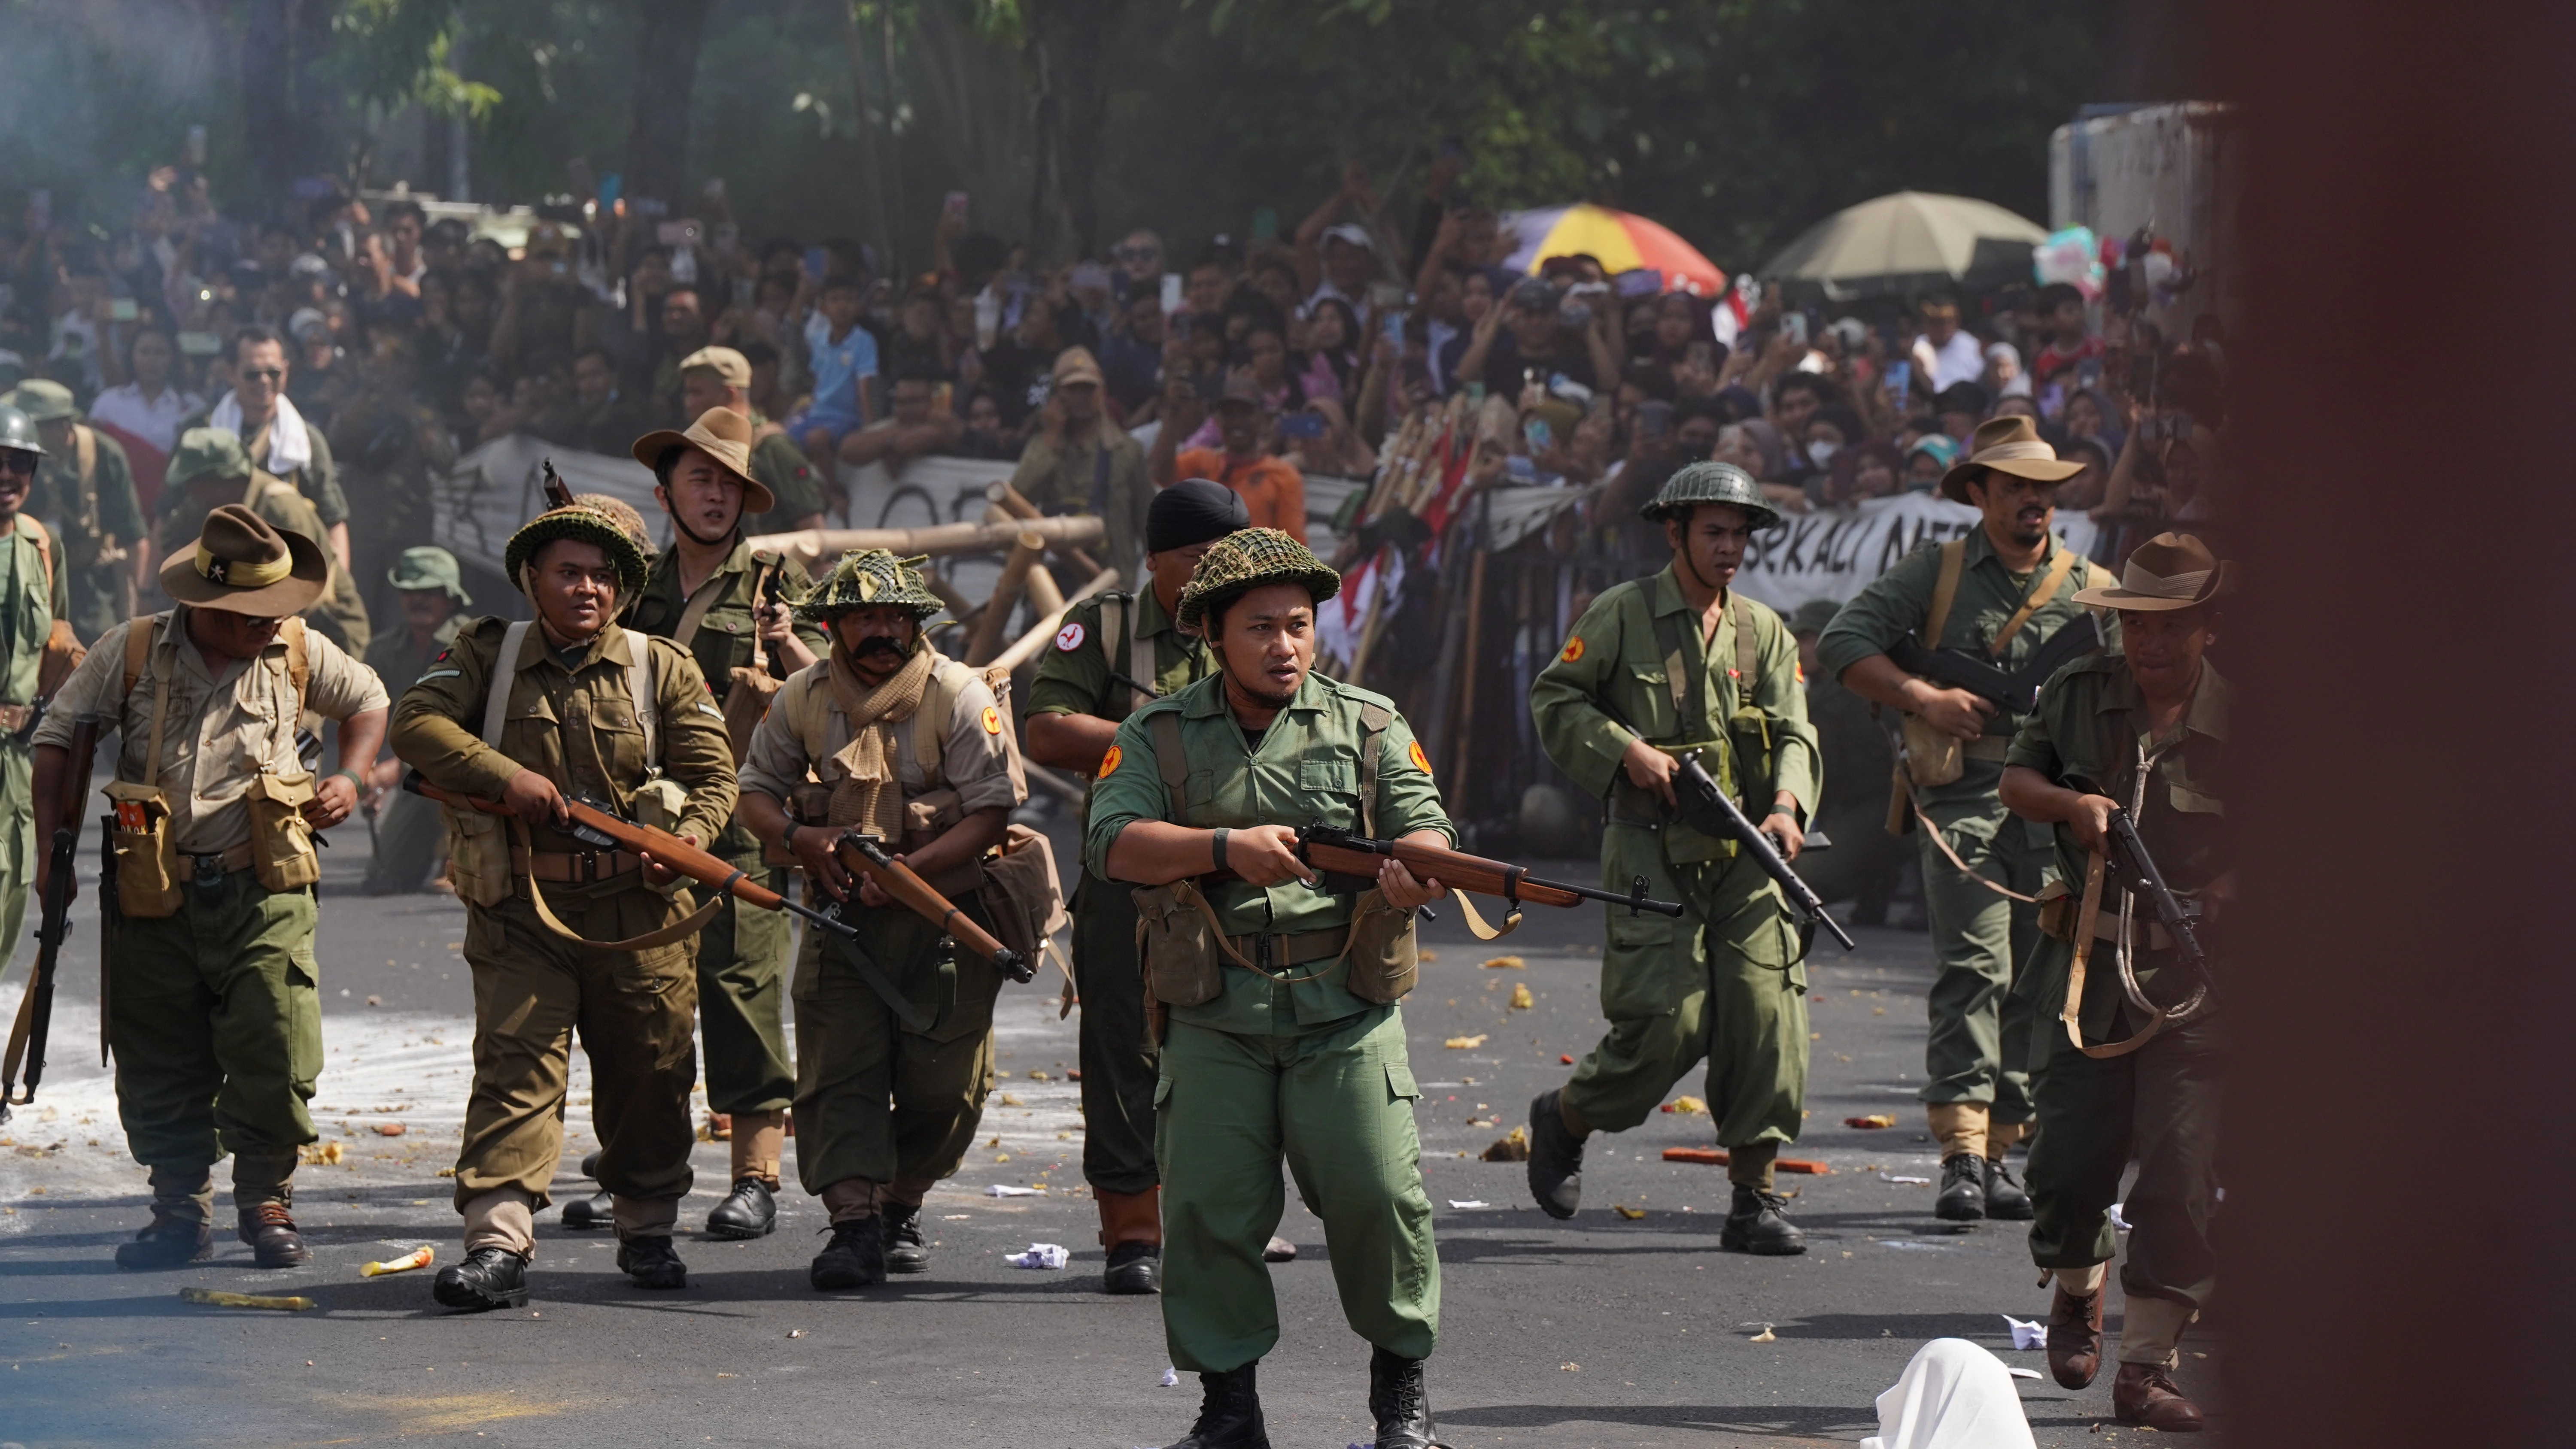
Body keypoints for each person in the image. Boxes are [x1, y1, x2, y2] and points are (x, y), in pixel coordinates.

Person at [1087, 527, 1452, 1449]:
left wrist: (1422, 873)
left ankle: (1400, 1401)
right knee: (1209, 1210)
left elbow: (1427, 829)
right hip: (1214, 1013)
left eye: (1299, 624)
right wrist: (1224, 848)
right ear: (1212, 632)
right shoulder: (1157, 732)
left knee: (1379, 1195)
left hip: (1346, 1009)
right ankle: (1229, 1409)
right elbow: (1113, 840)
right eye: (1260, 627)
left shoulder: (1370, 723)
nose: (1285, 645)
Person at [393, 501, 736, 1310]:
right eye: (569, 573)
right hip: (525, 907)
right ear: (532, 581)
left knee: (651, 1073)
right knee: (516, 1068)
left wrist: (680, 843)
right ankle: (498, 1242)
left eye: (602, 576)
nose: (588, 589)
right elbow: (416, 724)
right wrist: (501, 774)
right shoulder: (487, 653)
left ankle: (647, 1230)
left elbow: (717, 778)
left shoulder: (664, 667)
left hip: (642, 914)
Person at [32, 505, 388, 1270]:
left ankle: (266, 1198)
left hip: (264, 887)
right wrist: (46, 857)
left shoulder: (296, 648)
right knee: (160, 1053)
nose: (269, 624)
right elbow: (58, 740)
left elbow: (368, 699)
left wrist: (352, 779)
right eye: (250, 614)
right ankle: (177, 1209)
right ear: (204, 603)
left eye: (276, 609)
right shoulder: (129, 650)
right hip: (153, 894)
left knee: (274, 1039)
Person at [1817, 416, 2117, 1225]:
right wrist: (1924, 696)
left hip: (2050, 807)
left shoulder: (2092, 583)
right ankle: (1959, 1151)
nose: (2034, 501)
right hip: (1964, 798)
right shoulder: (1939, 570)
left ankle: (2001, 1151)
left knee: (2035, 980)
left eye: (2045, 489)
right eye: (2016, 486)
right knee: (1974, 968)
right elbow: (1846, 641)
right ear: (1978, 494)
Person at [1522, 461, 1821, 1255]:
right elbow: (1557, 698)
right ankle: (1568, 1115)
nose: (1730, 549)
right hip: (1650, 847)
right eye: (1714, 532)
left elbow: (1796, 732)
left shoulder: (1765, 631)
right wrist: (1628, 752)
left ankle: (1753, 1197)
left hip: (1747, 857)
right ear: (1675, 532)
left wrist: (1788, 806)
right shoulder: (1621, 615)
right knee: (1665, 1025)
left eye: (1741, 535)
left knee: (1767, 1017)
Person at [732, 550, 1027, 1293]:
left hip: (944, 917)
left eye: (896, 617)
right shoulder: (801, 697)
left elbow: (992, 811)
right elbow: (756, 791)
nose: (881, 631)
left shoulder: (957, 696)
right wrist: (803, 840)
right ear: (833, 626)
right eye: (863, 617)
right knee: (839, 1076)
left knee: (947, 1090)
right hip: (840, 916)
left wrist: (907, 878)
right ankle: (855, 1225)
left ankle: (900, 1202)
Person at [1998, 534, 2230, 1434]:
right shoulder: (2080, 691)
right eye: (2138, 626)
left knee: (2180, 1170)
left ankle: (2147, 1366)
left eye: (2172, 627)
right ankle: (2075, 1289)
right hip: (2089, 967)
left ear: (2207, 627)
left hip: (2198, 979)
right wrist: (2073, 805)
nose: (2152, 645)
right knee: (2067, 1162)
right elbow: (2020, 777)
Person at [1021, 480, 1245, 1295]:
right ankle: (1132, 1233)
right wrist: (1165, 745)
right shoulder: (1110, 627)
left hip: (1236, 872)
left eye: (1229, 554)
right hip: (1129, 876)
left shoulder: (1259, 623)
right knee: (1124, 1048)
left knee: (1237, 1046)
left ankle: (1222, 1219)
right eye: (1198, 557)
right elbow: (1046, 728)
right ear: (1155, 560)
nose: (1218, 570)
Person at [619, 407, 826, 1241]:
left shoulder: (777, 585)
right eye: (699, 478)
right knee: (641, 1003)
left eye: (730, 484)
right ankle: (642, 1164)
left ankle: (756, 1176)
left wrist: (785, 644)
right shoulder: (635, 584)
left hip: (741, 813)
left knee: (740, 988)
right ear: (666, 492)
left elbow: (838, 688)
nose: (715, 495)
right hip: (644, 817)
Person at [155, 428, 371, 660]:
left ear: (221, 480)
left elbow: (303, 590)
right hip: (252, 628)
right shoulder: (205, 503)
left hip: (325, 628)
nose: (189, 491)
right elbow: (171, 540)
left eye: (195, 483)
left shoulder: (282, 509)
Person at [0, 403, 72, 970]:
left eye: (20, 462)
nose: (7, 475)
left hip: (18, 758)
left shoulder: (41, 545)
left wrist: (42, 710)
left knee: (14, 884)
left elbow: (61, 642)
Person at [187, 326, 352, 572]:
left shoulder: (305, 441)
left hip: (286, 576)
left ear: (287, 369)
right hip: (218, 572)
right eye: (253, 374)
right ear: (231, 373)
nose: (264, 381)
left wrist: (334, 587)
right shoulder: (202, 434)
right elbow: (169, 511)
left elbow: (333, 521)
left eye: (274, 372)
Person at [360, 546, 470, 896]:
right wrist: (366, 768)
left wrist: (395, 769)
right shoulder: (383, 650)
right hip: (417, 775)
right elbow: (365, 712)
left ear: (450, 598)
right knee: (385, 874)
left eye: (430, 592)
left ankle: (457, 861)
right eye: (410, 592)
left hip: (472, 771)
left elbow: (465, 727)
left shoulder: (472, 645)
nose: (418, 601)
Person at [6, 379, 149, 644]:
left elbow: (134, 536)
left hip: (89, 583)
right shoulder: (15, 455)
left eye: (34, 426)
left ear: (62, 426)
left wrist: (137, 606)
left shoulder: (105, 455)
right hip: (26, 574)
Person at [1010, 347, 1154, 579]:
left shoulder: (1127, 451)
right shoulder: (1043, 446)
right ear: (1057, 395)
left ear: (1102, 392)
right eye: (1072, 389)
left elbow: (1149, 526)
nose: (1082, 396)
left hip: (1110, 585)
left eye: (1089, 388)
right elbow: (1015, 501)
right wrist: (1052, 440)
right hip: (1051, 584)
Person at [677, 346, 830, 533]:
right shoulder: (708, 449)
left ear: (728, 394)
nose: (688, 403)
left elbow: (813, 531)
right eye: (687, 393)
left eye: (696, 393)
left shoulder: (772, 448)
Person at [1151, 374, 1308, 542]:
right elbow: (1162, 474)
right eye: (1230, 414)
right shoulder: (1202, 462)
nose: (1237, 422)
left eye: (1246, 413)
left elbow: (1294, 546)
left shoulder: (1283, 476)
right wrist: (1173, 414)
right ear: (1218, 420)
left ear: (1263, 419)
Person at [793, 274, 879, 483]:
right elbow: (818, 380)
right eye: (835, 299)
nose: (842, 306)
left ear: (859, 306)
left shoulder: (864, 341)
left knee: (816, 440)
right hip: (817, 414)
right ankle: (807, 487)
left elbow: (864, 386)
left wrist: (870, 430)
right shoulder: (819, 339)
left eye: (849, 300)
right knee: (782, 441)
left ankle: (833, 492)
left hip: (847, 418)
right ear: (823, 308)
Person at [839, 369, 964, 476]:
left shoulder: (946, 423)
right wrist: (891, 441)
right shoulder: (893, 425)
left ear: (932, 400)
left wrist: (891, 448)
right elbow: (848, 449)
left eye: (915, 402)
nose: (908, 409)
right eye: (901, 403)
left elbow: (920, 439)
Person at [1911, 295, 1985, 392]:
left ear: (1956, 322)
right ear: (1924, 324)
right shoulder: (1918, 346)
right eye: (1934, 322)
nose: (1942, 328)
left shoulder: (1971, 345)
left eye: (1947, 322)